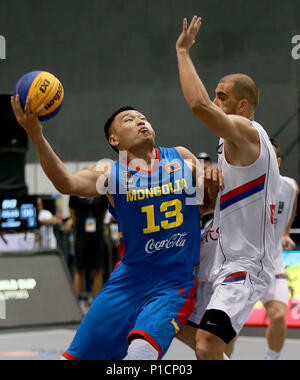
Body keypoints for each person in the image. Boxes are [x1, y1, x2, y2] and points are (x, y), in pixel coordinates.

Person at [11, 96, 222, 360]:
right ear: (115, 140)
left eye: (142, 117)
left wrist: (212, 186)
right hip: (129, 278)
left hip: (173, 279)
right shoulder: (110, 173)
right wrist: (35, 132)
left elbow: (211, 201)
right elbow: (65, 183)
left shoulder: (181, 158)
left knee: (140, 353)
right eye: (129, 120)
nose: (140, 121)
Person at [175, 16, 281, 360]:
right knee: (173, 322)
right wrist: (208, 204)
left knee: (207, 343)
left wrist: (183, 52)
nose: (215, 101)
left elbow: (198, 106)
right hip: (215, 254)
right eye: (216, 96)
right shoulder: (228, 146)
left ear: (242, 106)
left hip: (244, 263)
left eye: (222, 97)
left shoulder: (250, 134)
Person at [226, 139, 299, 360]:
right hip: (242, 266)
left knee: (278, 316)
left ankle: (271, 358)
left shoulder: (289, 186)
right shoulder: (241, 186)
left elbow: (291, 205)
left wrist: (285, 232)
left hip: (272, 264)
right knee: (229, 328)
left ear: (276, 161)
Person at [69, 195, 108, 313]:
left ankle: (96, 301)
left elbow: (103, 212)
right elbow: (72, 211)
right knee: (79, 267)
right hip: (81, 233)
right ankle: (77, 300)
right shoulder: (75, 191)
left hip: (97, 233)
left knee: (97, 268)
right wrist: (77, 225)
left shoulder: (101, 191)